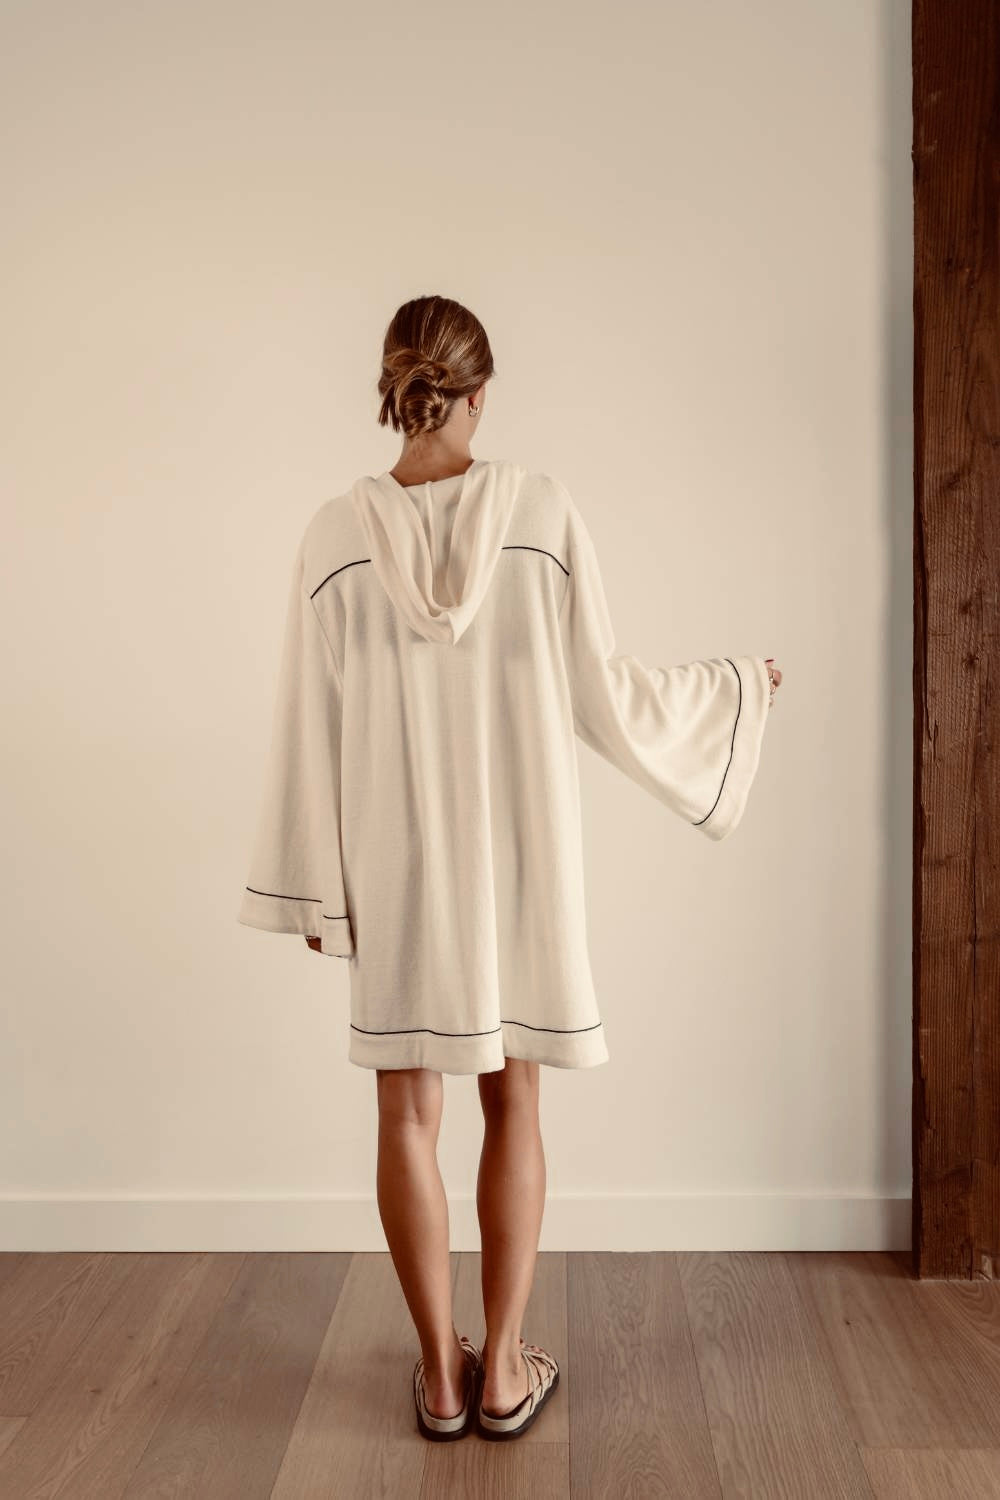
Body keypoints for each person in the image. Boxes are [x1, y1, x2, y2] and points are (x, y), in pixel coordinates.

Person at [237, 294, 782, 1441]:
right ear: (476, 394)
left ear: (396, 389)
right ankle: (503, 1375)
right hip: (520, 852)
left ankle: (440, 1377)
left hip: (395, 862)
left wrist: (315, 884)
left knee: (405, 1110)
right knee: (513, 1095)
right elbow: (605, 693)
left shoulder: (333, 535)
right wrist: (733, 689)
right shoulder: (541, 511)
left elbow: (304, 727)